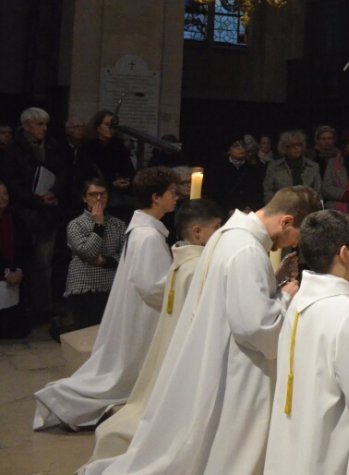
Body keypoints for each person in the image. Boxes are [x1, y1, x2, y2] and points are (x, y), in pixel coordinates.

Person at [101, 186, 322, 475]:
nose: (294, 245)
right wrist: (287, 295)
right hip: (236, 367)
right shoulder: (247, 250)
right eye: (297, 236)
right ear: (286, 221)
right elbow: (256, 328)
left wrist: (275, 281)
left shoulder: (227, 235)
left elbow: (238, 295)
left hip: (215, 351)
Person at [83, 199, 227, 471]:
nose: (220, 234)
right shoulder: (196, 269)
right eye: (217, 227)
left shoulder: (180, 262)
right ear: (197, 232)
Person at [33, 167, 177, 430]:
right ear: (156, 197)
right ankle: (63, 400)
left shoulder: (139, 230)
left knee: (116, 373)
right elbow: (152, 286)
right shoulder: (147, 237)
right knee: (116, 378)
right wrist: (185, 280)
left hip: (136, 308)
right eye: (171, 193)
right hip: (143, 314)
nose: (176, 197)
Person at [264, 211, 349, 475]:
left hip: (298, 435)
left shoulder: (300, 300)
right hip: (329, 448)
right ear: (344, 253)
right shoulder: (347, 313)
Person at [1, 107, 64, 320]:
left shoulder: (53, 146)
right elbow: (12, 183)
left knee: (44, 264)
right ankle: (23, 308)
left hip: (47, 213)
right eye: (39, 124)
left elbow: (63, 172)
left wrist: (54, 192)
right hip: (24, 214)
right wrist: (36, 198)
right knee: (24, 262)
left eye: (46, 124)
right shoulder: (12, 151)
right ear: (27, 126)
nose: (44, 128)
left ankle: (43, 307)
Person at [59, 178, 126, 334]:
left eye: (102, 194)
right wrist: (98, 225)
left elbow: (126, 254)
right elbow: (88, 251)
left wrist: (107, 260)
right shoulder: (75, 225)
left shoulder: (119, 224)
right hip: (84, 286)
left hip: (111, 284)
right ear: (84, 198)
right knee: (86, 335)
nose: (98, 199)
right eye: (93, 194)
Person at [83, 110, 136, 222]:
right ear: (97, 127)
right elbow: (87, 172)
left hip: (121, 196)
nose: (111, 128)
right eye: (107, 125)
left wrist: (127, 179)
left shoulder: (118, 145)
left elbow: (128, 167)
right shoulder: (88, 147)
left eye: (113, 125)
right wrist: (111, 182)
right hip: (100, 193)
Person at [0, 179, 32, 339]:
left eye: (5, 193)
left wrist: (18, 270)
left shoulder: (16, 219)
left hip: (15, 274)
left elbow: (25, 248)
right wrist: (3, 273)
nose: (3, 198)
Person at [207, 136, 265, 214]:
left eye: (243, 146)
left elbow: (258, 192)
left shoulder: (254, 168)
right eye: (236, 146)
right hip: (225, 213)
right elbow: (215, 194)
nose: (240, 148)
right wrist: (227, 210)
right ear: (229, 150)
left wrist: (251, 208)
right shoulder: (218, 169)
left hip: (248, 213)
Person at [263, 129, 322, 204]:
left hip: (307, 208)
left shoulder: (313, 167)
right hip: (281, 207)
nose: (296, 148)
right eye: (292, 146)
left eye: (299, 145)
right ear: (284, 148)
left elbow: (318, 194)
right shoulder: (274, 167)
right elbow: (268, 191)